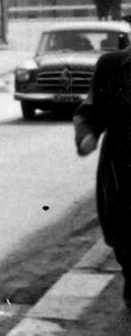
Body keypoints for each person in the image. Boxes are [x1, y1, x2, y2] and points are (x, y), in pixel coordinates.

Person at [74, 20, 131, 309]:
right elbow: (92, 110)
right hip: (122, 169)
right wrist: (89, 134)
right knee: (125, 239)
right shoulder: (111, 66)